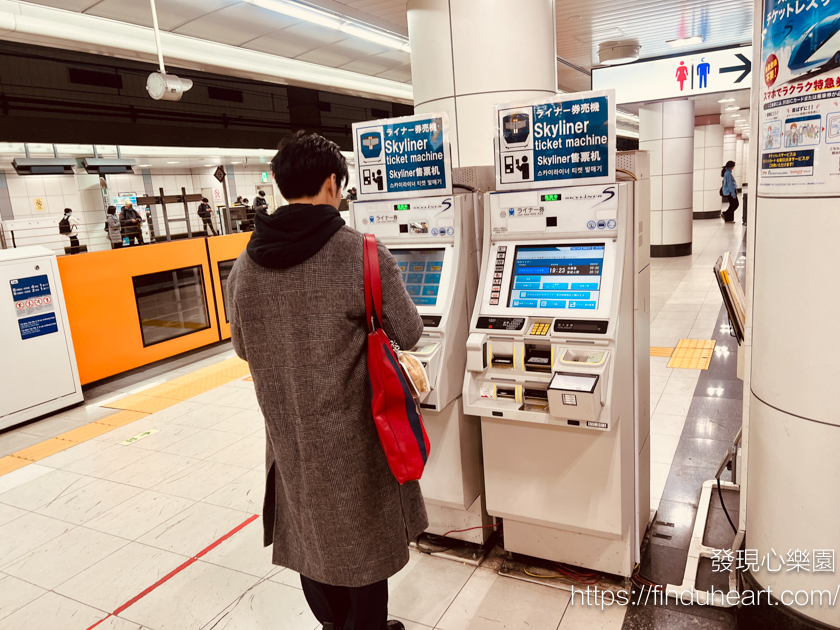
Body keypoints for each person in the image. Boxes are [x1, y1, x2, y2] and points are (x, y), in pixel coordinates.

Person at [226, 131, 424, 630]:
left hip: (288, 433)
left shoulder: (246, 265)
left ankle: (333, 625)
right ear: (334, 183)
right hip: (355, 437)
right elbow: (410, 331)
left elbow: (244, 348)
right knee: (361, 542)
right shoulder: (360, 253)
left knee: (310, 532)